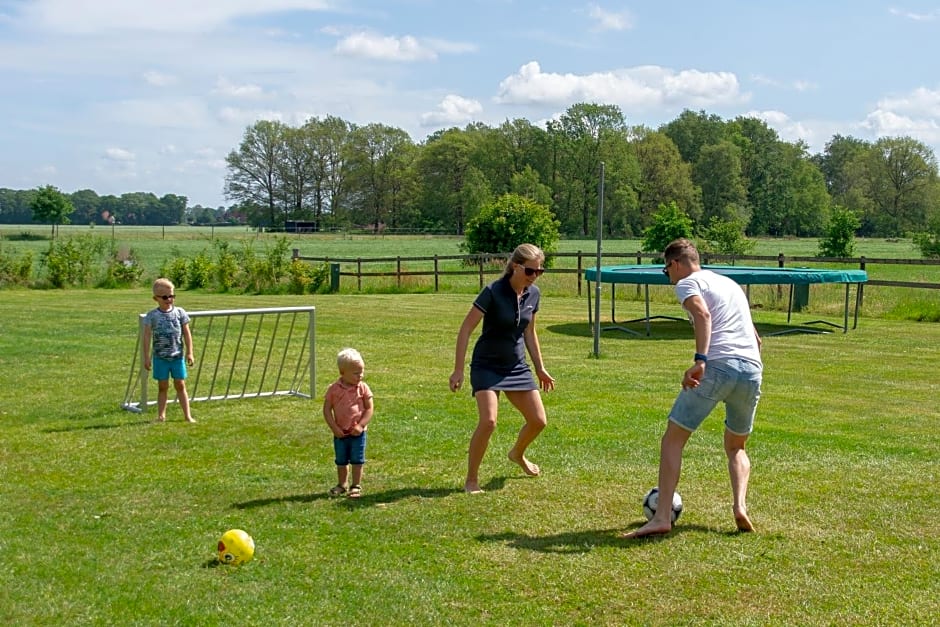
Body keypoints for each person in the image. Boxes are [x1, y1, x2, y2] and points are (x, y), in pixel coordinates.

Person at [623, 238, 763, 538]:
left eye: (666, 270)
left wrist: (700, 361)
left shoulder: (688, 284)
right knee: (736, 446)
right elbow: (756, 338)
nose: (668, 276)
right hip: (752, 368)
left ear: (675, 263)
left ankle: (661, 517)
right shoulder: (730, 285)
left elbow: (702, 315)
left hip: (718, 365)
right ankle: (740, 506)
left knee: (673, 439)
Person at [449, 243, 556, 494]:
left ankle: (517, 453)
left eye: (539, 272)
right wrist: (458, 370)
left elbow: (530, 332)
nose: (535, 276)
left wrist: (540, 368)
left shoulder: (533, 294)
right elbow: (466, 329)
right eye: (531, 271)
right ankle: (471, 480)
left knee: (538, 421)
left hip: (516, 365)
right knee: (488, 421)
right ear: (516, 267)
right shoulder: (493, 291)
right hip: (486, 365)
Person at [142, 278, 195, 423]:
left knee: (180, 384)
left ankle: (187, 415)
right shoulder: (152, 316)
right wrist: (146, 357)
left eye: (171, 296)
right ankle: (161, 415)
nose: (169, 299)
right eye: (165, 297)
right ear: (156, 298)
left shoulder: (180, 312)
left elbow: (187, 333)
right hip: (160, 358)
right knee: (162, 386)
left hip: (177, 356)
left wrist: (190, 352)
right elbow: (146, 337)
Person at [323, 348, 374, 499]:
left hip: (358, 433)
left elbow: (370, 408)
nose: (361, 376)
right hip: (341, 433)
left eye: (362, 372)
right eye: (356, 373)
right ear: (342, 372)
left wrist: (361, 425)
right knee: (341, 460)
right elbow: (326, 410)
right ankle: (342, 484)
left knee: (357, 460)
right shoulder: (333, 389)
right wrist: (334, 428)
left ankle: (356, 485)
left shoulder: (363, 388)